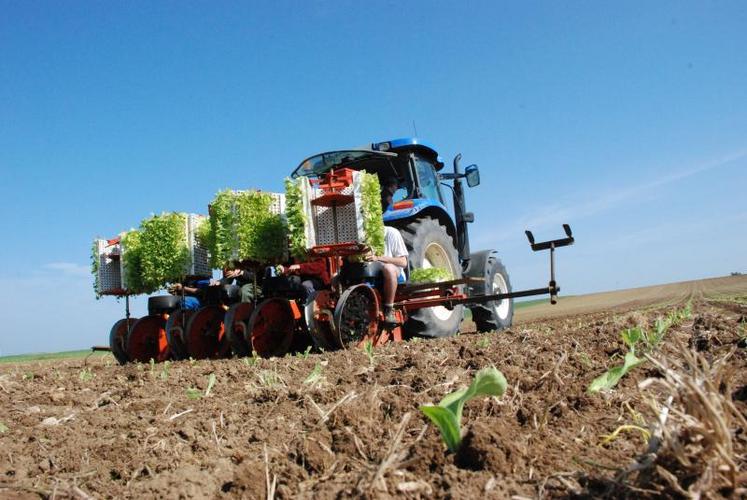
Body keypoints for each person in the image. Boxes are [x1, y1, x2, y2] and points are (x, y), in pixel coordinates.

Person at [366, 177, 409, 326]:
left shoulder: (391, 233)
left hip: (392, 272)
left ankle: (389, 309)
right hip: (373, 273)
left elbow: (403, 262)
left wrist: (380, 258)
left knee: (389, 268)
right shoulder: (365, 238)